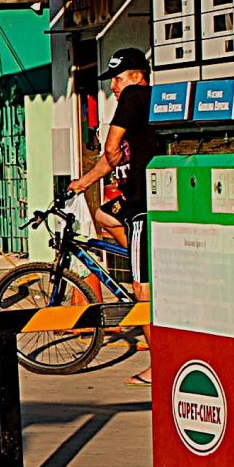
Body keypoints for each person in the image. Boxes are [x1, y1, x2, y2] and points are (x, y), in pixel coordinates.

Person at [69, 46, 156, 381]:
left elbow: (110, 148)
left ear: (135, 77)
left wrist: (110, 148)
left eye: (117, 79)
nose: (113, 87)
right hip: (136, 201)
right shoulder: (145, 99)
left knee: (142, 291)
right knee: (104, 216)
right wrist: (84, 182)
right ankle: (135, 256)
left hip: (142, 206)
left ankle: (157, 366)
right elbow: (114, 158)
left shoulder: (135, 95)